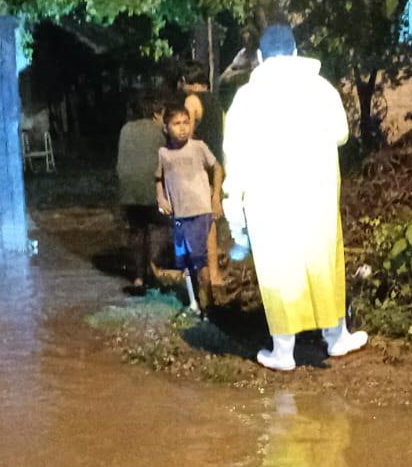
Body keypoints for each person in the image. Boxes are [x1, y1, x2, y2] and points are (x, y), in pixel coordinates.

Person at [223, 24, 366, 371]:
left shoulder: (246, 98)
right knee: (323, 263)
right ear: (296, 51)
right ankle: (336, 337)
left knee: (279, 270)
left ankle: (283, 351)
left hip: (268, 200)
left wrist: (234, 213)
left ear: (259, 57)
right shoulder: (321, 89)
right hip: (315, 193)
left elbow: (234, 156)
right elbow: (342, 134)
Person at [155, 103, 223, 315]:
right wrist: (161, 198)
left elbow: (217, 167)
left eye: (186, 122)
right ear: (166, 127)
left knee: (202, 262)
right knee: (185, 261)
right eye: (177, 124)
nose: (183, 128)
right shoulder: (164, 153)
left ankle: (209, 308)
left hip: (200, 213)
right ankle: (194, 302)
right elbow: (159, 178)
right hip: (179, 216)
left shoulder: (198, 147)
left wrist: (216, 196)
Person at [182, 64, 229, 288]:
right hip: (217, 163)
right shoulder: (216, 101)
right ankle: (213, 271)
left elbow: (186, 134)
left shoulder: (191, 101)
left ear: (188, 82)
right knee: (212, 219)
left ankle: (209, 274)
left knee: (201, 222)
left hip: (199, 166)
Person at [116, 94, 166, 294]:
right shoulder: (159, 131)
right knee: (158, 228)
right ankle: (155, 272)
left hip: (129, 190)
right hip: (151, 189)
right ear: (155, 113)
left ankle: (138, 277)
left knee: (137, 230)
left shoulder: (125, 129)